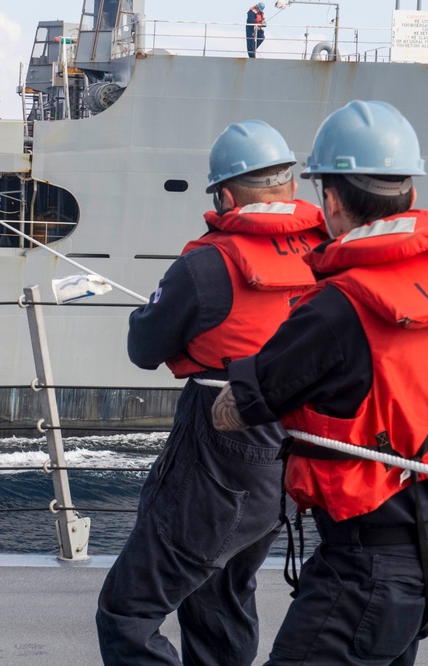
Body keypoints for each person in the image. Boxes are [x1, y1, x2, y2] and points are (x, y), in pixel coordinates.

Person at [212, 100, 428, 664]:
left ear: (329, 200)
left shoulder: (337, 305)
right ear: (411, 194)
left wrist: (227, 384)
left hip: (365, 573)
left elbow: (241, 406)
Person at [95, 120, 329, 665]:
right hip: (294, 447)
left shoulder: (206, 264)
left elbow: (144, 347)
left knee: (128, 611)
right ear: (291, 187)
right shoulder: (329, 249)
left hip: (219, 442)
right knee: (223, 596)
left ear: (224, 195)